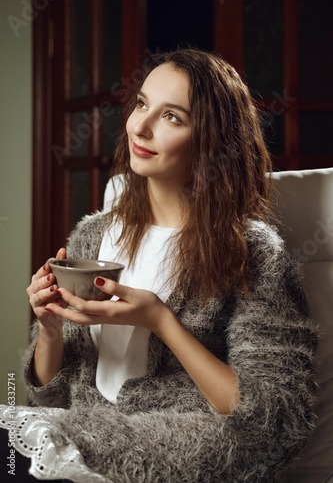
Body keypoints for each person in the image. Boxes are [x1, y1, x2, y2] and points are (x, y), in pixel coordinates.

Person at [0, 48, 318, 482]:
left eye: (172, 117)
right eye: (143, 104)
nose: (141, 127)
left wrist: (161, 321)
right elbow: (49, 396)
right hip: (84, 427)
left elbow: (273, 419)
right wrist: (50, 329)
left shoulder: (253, 253)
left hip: (191, 442)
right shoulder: (93, 237)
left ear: (212, 142)